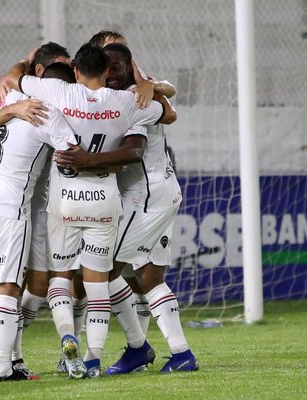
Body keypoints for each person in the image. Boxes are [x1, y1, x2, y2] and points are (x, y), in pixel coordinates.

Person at [2, 42, 176, 378]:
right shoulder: (127, 102)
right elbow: (165, 112)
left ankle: (69, 338)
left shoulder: (60, 93)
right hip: (105, 200)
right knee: (98, 283)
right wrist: (148, 85)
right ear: (108, 72)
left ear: (77, 72)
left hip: (66, 200)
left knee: (62, 277)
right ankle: (94, 358)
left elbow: (15, 80)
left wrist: (23, 62)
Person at [54, 40, 199, 374]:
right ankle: (180, 354)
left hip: (143, 198)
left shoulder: (132, 99)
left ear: (129, 67)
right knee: (148, 278)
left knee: (97, 273)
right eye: (108, 67)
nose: (111, 74)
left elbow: (134, 150)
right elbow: (169, 106)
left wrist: (87, 161)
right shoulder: (129, 95)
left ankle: (111, 352)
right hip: (160, 194)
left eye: (117, 67)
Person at [0, 59, 77, 382]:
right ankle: (4, 368)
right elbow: (72, 153)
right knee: (10, 288)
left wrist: (12, 100)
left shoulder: (11, 98)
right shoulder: (47, 111)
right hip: (10, 206)